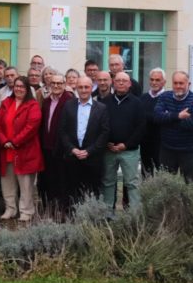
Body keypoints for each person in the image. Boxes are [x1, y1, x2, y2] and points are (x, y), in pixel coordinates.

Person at [0, 78, 43, 221]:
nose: (19, 89)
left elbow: (31, 127)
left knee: (26, 184)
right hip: (6, 150)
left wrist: (15, 141)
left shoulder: (33, 105)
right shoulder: (6, 102)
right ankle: (10, 209)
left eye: (22, 86)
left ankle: (26, 211)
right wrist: (4, 141)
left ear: (27, 89)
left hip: (25, 151)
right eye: (16, 86)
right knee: (7, 182)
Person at [59, 75, 109, 206]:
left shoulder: (101, 108)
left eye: (86, 87)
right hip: (72, 157)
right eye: (80, 87)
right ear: (76, 88)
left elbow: (104, 133)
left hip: (93, 158)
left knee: (93, 191)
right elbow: (62, 131)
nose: (83, 90)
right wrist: (72, 149)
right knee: (72, 191)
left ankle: (91, 217)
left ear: (92, 88)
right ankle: (73, 215)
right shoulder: (68, 106)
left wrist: (89, 151)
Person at [101, 72, 145, 212]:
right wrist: (106, 142)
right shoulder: (104, 102)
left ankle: (135, 214)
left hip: (129, 151)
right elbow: (100, 125)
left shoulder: (137, 103)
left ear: (130, 84)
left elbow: (141, 128)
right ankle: (108, 213)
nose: (121, 83)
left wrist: (125, 145)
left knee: (132, 183)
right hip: (109, 150)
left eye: (124, 81)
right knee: (108, 182)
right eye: (118, 80)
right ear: (113, 83)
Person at [153, 70, 193, 182]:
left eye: (181, 83)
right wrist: (178, 116)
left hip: (189, 151)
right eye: (175, 83)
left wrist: (168, 118)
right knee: (166, 184)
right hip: (167, 149)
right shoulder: (164, 97)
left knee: (189, 184)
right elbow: (157, 118)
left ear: (188, 84)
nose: (178, 86)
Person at [38, 71, 73, 214]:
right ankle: (49, 207)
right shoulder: (46, 101)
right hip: (46, 147)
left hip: (62, 148)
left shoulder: (70, 101)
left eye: (59, 83)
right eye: (53, 83)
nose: (56, 86)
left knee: (62, 180)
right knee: (48, 179)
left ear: (64, 85)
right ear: (49, 84)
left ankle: (62, 209)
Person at [139, 68, 167, 178]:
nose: (154, 82)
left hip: (161, 142)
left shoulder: (168, 98)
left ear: (164, 82)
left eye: (157, 80)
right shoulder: (143, 98)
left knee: (163, 174)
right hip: (145, 142)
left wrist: (147, 116)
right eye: (152, 79)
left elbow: (163, 118)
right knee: (146, 175)